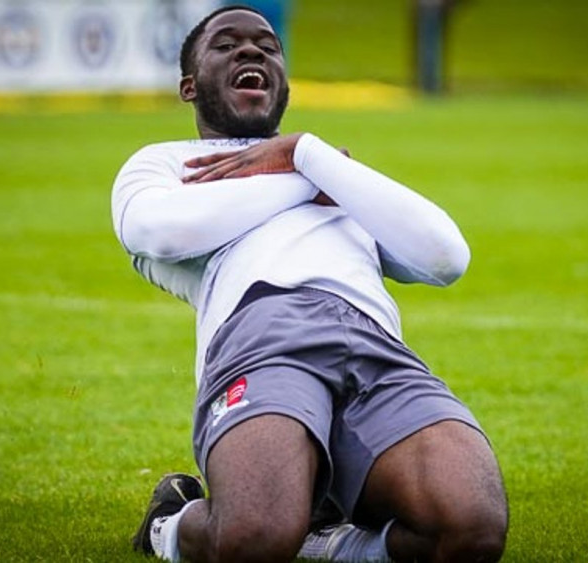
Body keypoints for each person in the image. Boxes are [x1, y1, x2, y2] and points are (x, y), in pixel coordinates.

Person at [111, 5, 508, 562]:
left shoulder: (322, 165)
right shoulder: (166, 164)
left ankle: (326, 541)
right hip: (264, 337)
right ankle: (169, 527)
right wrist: (304, 175)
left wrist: (304, 152)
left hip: (375, 343)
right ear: (189, 85)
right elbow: (162, 229)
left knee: (470, 530)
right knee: (254, 540)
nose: (252, 51)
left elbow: (445, 256)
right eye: (226, 45)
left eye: (268, 46)